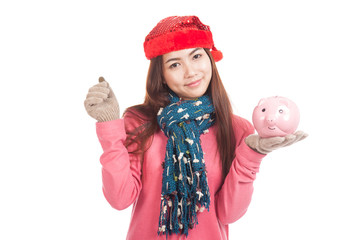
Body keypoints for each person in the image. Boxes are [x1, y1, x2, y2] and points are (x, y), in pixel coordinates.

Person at [84, 16, 307, 240]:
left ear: (210, 58)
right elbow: (120, 198)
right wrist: (109, 124)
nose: (190, 72)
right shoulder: (140, 121)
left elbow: (229, 214)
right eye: (175, 64)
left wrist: (252, 154)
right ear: (161, 75)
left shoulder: (237, 129)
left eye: (197, 56)